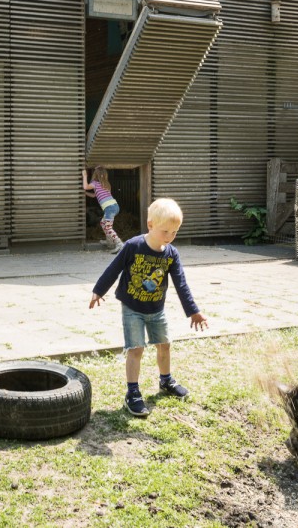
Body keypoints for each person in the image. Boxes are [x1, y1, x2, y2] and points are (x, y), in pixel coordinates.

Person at [89, 198, 209, 418]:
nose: (170, 237)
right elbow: (113, 269)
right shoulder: (133, 246)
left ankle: (166, 381)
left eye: (175, 232)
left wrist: (193, 310)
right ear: (151, 224)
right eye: (166, 231)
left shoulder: (171, 254)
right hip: (132, 307)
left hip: (157, 309)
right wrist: (99, 290)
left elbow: (181, 283)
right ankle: (132, 393)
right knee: (136, 349)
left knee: (164, 345)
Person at [82, 166, 123, 253]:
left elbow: (85, 186)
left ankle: (119, 244)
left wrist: (84, 175)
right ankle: (109, 242)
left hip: (109, 208)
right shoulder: (107, 184)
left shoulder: (95, 183)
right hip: (114, 206)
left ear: (95, 175)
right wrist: (85, 193)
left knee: (107, 227)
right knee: (103, 223)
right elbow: (94, 195)